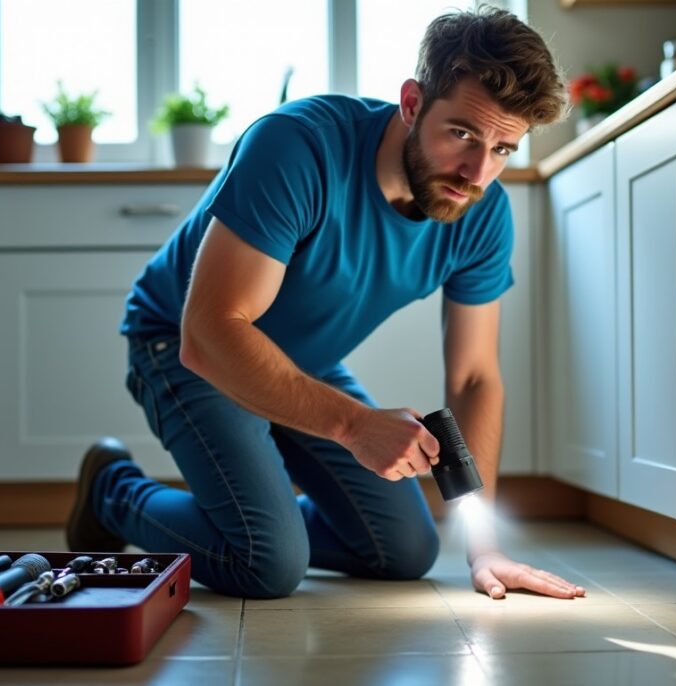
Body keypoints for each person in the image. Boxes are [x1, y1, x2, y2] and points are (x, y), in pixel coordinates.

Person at [66, 6, 586, 601]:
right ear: (412, 104)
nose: (476, 172)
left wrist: (485, 546)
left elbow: (473, 378)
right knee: (266, 564)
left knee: (406, 552)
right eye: (463, 134)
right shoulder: (298, 146)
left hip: (301, 358)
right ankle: (113, 490)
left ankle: (272, 526)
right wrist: (353, 424)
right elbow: (209, 332)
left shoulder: (481, 213)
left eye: (503, 149)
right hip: (184, 341)